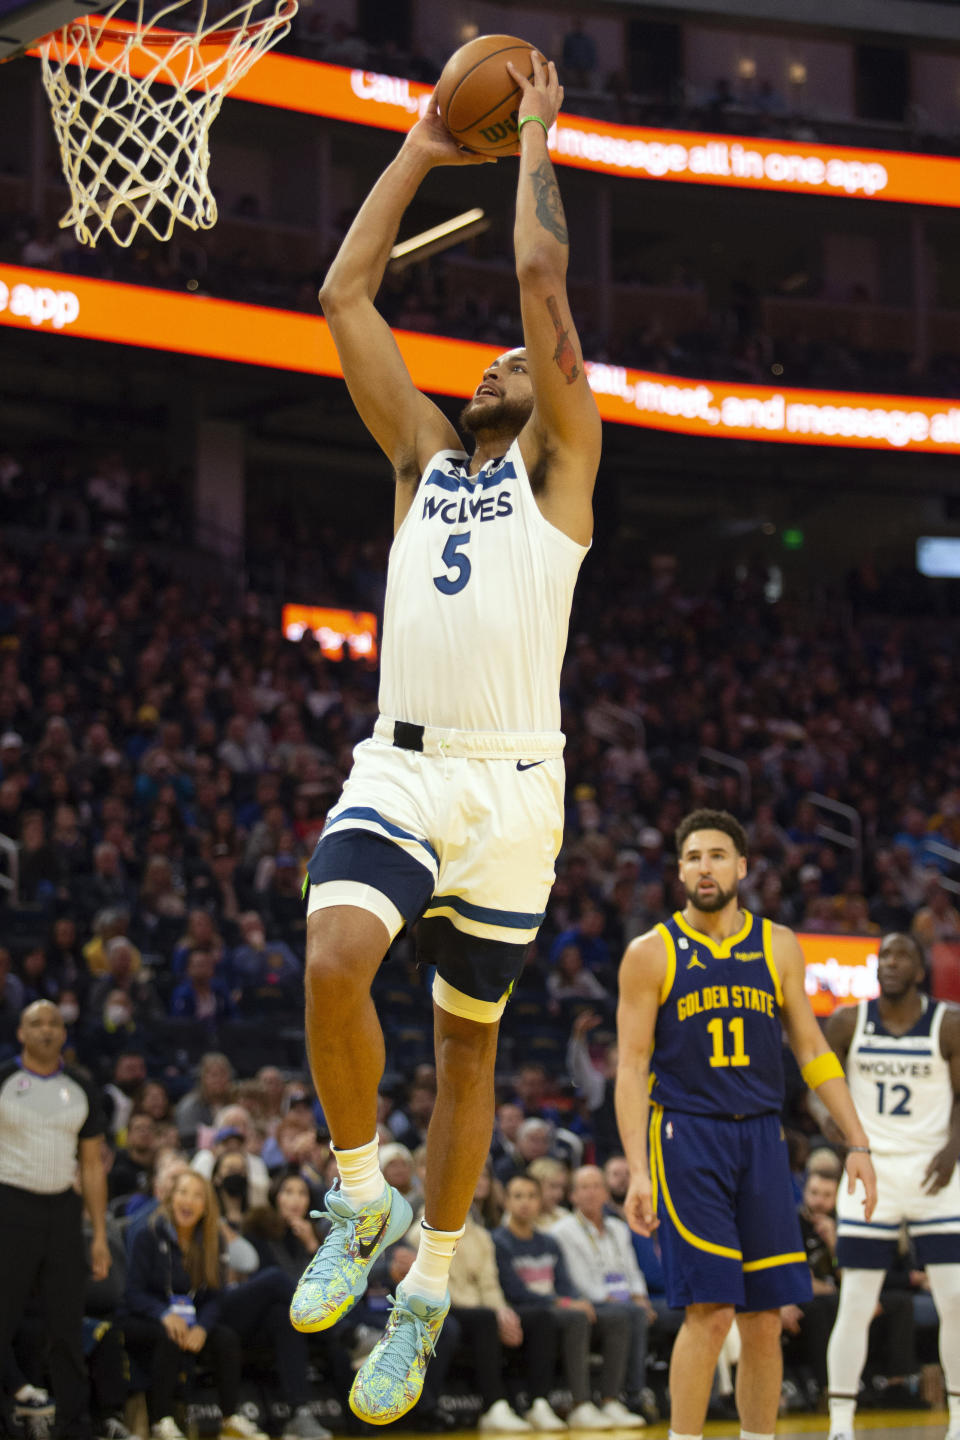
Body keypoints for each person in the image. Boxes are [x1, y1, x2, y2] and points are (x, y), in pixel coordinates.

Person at [290, 45, 600, 1430]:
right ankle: (360, 1204)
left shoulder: (565, 467)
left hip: (518, 789)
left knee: (466, 1053)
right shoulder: (419, 457)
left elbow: (543, 291)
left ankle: (426, 1290)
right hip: (403, 762)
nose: (489, 368)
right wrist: (423, 139)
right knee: (331, 956)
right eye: (478, 364)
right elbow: (343, 293)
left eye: (510, 367)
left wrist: (536, 136)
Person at [615, 809, 877, 1440]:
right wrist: (638, 1171)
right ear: (680, 871)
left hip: (762, 1137)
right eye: (693, 857)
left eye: (717, 855)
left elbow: (812, 1049)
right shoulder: (649, 953)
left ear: (742, 866)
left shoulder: (779, 943)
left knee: (764, 1317)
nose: (706, 867)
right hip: (687, 1136)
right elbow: (631, 1068)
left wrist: (857, 1140)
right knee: (710, 1311)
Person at [824, 931, 960, 1440]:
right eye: (885, 955)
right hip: (870, 1173)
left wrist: (953, 1150)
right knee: (855, 1301)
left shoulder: (947, 1023)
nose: (891, 963)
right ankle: (840, 1423)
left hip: (935, 1176)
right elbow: (819, 1083)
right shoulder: (847, 1021)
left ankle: (959, 1420)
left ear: (920, 970)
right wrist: (835, 1131)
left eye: (903, 956)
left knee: (955, 1302)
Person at [123, 1170, 326, 1440]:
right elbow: (132, 1292)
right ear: (171, 1198)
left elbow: (213, 1296)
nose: (189, 1201)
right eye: (183, 1193)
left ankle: (230, 1420)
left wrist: (203, 1328)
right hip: (149, 1316)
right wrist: (163, 1314)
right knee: (171, 1333)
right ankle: (162, 1421)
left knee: (232, 1335)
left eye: (198, 1196)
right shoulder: (147, 1233)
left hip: (194, 1317)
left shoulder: (211, 1239)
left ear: (206, 1206)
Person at [0, 1000, 111, 1440]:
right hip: (9, 1207)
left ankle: (73, 1423)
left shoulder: (81, 1086)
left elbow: (91, 1166)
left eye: (53, 1023)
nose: (46, 1030)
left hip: (63, 1213)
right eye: (36, 1023)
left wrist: (99, 1234)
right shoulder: (5, 1081)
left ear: (63, 1034)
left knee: (66, 1323)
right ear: (21, 1033)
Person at [493, 1173, 615, 1431]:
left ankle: (606, 1401)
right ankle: (567, 1403)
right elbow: (514, 1291)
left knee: (601, 1315)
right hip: (525, 1309)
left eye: (531, 1196)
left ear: (540, 1202)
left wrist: (572, 1300)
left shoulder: (549, 1242)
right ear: (506, 1201)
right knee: (567, 1317)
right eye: (518, 1196)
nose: (525, 1202)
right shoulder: (499, 1242)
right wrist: (562, 1303)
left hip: (553, 1306)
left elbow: (565, 1284)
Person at [549, 1165, 650, 1426]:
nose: (592, 1193)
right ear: (572, 1196)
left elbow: (632, 1269)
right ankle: (633, 1394)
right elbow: (577, 1280)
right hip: (590, 1300)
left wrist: (639, 1295)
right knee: (630, 1314)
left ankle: (615, 1399)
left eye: (597, 1186)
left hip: (625, 1300)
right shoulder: (562, 1231)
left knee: (683, 1311)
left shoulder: (618, 1227)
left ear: (606, 1193)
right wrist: (619, 1301)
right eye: (584, 1187)